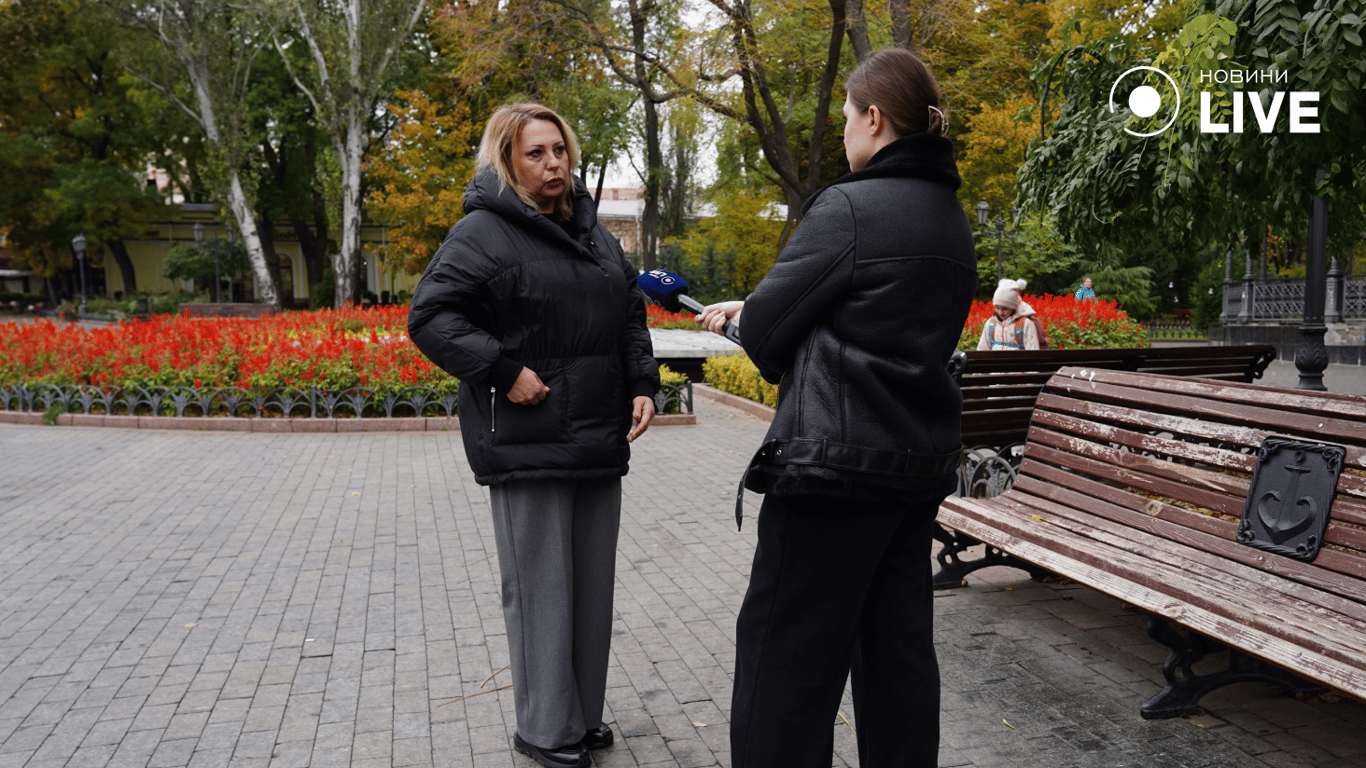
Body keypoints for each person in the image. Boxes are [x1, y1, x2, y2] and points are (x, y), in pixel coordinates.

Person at [697, 48, 976, 768]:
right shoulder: (949, 216)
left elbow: (767, 336)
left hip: (833, 474)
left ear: (874, 118)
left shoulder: (850, 206)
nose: (845, 130)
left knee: (785, 664)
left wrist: (748, 316)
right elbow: (882, 319)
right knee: (897, 659)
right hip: (915, 469)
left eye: (848, 116)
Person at [407, 103, 659, 768]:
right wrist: (503, 370)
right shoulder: (482, 234)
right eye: (536, 153)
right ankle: (547, 730)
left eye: (560, 150)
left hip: (599, 436)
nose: (554, 164)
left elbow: (629, 314)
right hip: (530, 438)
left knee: (591, 591)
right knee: (543, 592)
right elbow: (430, 317)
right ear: (506, 162)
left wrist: (643, 382)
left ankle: (582, 717)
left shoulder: (593, 233)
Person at [977, 278, 1042, 351]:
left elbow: (1033, 352)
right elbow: (982, 350)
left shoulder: (1026, 324)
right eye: (997, 308)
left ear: (1013, 307)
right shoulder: (991, 324)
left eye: (1005, 309)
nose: (1000, 312)